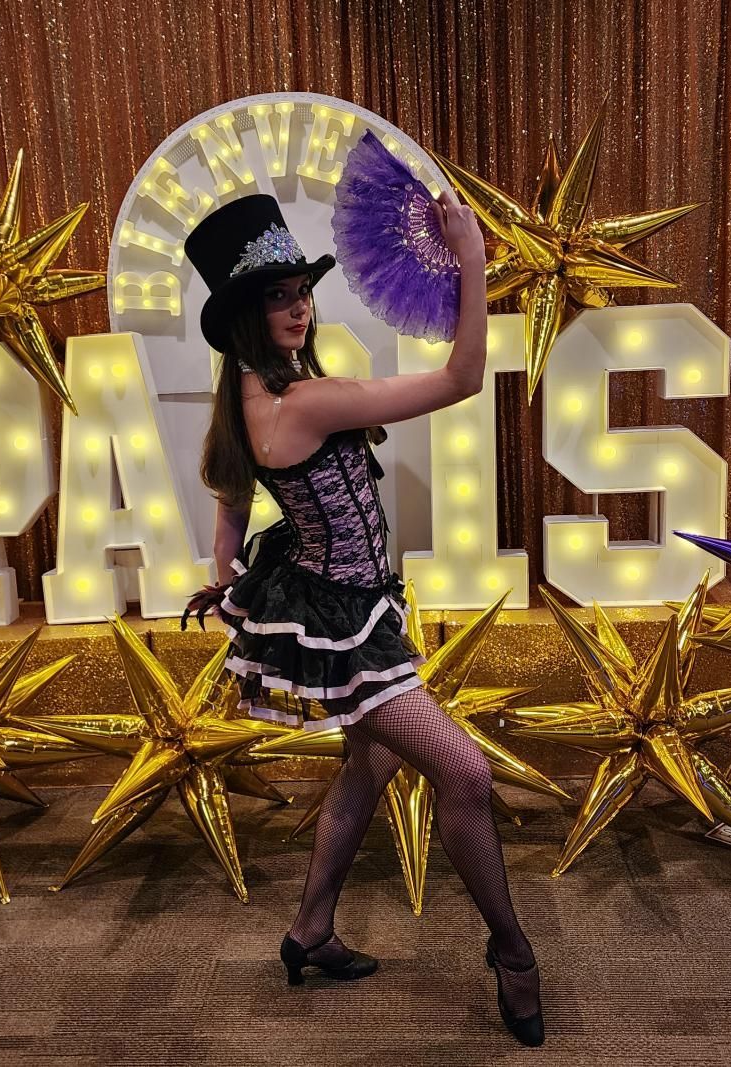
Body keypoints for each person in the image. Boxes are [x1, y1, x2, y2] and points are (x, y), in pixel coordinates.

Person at [183, 191, 544, 1047]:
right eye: (277, 296)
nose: (298, 305)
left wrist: (224, 579)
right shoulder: (309, 402)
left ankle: (310, 929)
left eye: (301, 289)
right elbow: (460, 379)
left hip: (339, 599)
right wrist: (472, 259)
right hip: (347, 627)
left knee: (370, 761)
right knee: (465, 774)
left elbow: (230, 508)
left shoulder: (246, 404)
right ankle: (513, 950)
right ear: (244, 314)